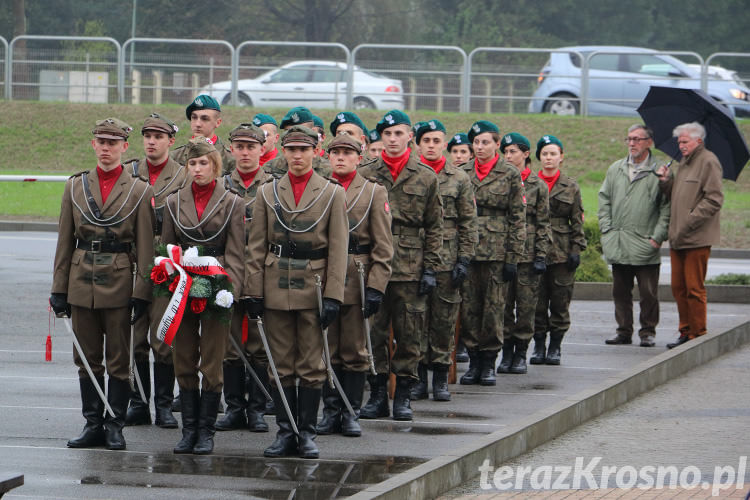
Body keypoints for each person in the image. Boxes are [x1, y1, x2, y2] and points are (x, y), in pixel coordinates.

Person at [243, 125, 348, 459]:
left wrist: (334, 295)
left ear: (316, 152)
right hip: (276, 283)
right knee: (280, 363)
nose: (298, 156)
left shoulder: (332, 193)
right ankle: (285, 432)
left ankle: (307, 433)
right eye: (292, 150)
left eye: (304, 150)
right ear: (284, 152)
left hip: (313, 283)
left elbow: (339, 248)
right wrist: (253, 291)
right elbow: (256, 246)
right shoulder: (268, 193)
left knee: (311, 364)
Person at [50, 118, 155, 450]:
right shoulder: (75, 186)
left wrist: (142, 292)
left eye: (113, 143)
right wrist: (59, 288)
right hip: (81, 281)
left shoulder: (139, 190)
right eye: (101, 142)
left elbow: (145, 248)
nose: (107, 148)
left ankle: (115, 424)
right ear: (93, 145)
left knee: (119, 359)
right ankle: (92, 422)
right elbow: (65, 241)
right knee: (86, 357)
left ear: (125, 147)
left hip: (120, 281)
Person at [161, 136, 245, 455]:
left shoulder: (233, 202)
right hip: (182, 285)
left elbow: (237, 252)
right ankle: (189, 430)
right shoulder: (172, 202)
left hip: (216, 284)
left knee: (211, 359)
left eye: (204, 163)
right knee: (183, 356)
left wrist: (228, 285)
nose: (198, 169)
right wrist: (170, 276)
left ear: (216, 165)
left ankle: (207, 432)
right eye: (192, 164)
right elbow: (167, 247)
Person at [358, 110, 443, 421]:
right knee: (374, 333)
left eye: (399, 133)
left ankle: (404, 396)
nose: (392, 140)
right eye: (387, 134)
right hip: (372, 265)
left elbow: (435, 226)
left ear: (410, 136)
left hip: (411, 265)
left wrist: (431, 268)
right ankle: (378, 393)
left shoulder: (426, 176)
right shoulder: (366, 172)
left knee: (410, 333)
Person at [316, 134, 393, 436]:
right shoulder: (321, 189)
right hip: (324, 278)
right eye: (335, 152)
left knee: (355, 350)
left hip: (357, 276)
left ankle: (351, 412)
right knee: (327, 348)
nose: (340, 158)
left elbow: (383, 246)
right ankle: (330, 410)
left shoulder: (374, 192)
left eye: (347, 153)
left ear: (359, 158)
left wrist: (376, 286)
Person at [123, 114, 186, 429]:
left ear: (171, 142)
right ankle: (138, 402)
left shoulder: (183, 175)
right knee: (134, 339)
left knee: (163, 338)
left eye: (158, 136)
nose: (151, 141)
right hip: (134, 262)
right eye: (147, 135)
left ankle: (163, 405)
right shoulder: (130, 173)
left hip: (166, 264)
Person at [410, 120, 476, 401]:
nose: (432, 146)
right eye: (427, 141)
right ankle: (417, 378)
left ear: (444, 144)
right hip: (414, 258)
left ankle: (440, 377)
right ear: (418, 144)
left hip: (447, 262)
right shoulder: (412, 174)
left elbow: (468, 221)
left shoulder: (459, 178)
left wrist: (464, 258)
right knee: (415, 321)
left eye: (437, 141)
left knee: (444, 320)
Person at [214, 123, 274, 433]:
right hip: (229, 273)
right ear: (232, 150)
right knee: (230, 344)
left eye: (252, 146)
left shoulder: (273, 187)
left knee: (259, 346)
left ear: (262, 149)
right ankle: (234, 407)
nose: (246, 152)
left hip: (262, 273)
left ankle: (257, 410)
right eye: (240, 146)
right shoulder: (222, 186)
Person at [459, 121, 526, 386]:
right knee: (469, 309)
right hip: (468, 250)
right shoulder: (462, 172)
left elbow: (518, 219)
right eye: (475, 142)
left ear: (497, 145)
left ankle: (489, 363)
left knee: (494, 310)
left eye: (485, 142)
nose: (480, 147)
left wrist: (513, 257)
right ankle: (474, 361)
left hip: (497, 253)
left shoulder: (509, 173)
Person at [599, 125, 670, 348]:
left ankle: (648, 331)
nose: (632, 143)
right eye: (629, 139)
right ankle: (623, 331)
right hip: (618, 241)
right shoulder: (615, 168)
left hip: (645, 243)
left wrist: (657, 237)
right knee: (620, 291)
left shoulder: (661, 171)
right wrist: (607, 230)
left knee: (648, 293)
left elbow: (667, 208)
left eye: (638, 139)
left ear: (649, 142)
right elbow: (604, 200)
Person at [656, 122, 723, 349]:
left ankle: (698, 333)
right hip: (678, 237)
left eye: (685, 141)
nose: (681, 146)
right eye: (679, 142)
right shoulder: (684, 162)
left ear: (699, 141)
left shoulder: (709, 161)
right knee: (678, 287)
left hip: (697, 238)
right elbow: (677, 195)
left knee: (694, 288)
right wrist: (666, 181)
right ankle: (685, 331)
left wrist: (690, 219)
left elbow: (714, 199)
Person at [531, 135, 586, 365]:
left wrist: (576, 249)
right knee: (536, 301)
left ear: (561, 157)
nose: (549, 158)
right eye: (544, 154)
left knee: (560, 301)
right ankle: (539, 345)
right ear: (539, 158)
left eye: (553, 153)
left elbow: (577, 220)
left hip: (562, 253)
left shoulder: (570, 186)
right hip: (536, 250)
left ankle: (555, 346)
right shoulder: (531, 183)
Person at [498, 132, 551, 374]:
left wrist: (541, 255)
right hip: (504, 253)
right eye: (506, 152)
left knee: (526, 307)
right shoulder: (501, 181)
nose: (508, 157)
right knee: (503, 306)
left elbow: (543, 223)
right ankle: (506, 352)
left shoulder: (537, 186)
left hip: (528, 256)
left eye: (513, 152)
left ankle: (521, 352)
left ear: (526, 154)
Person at [171, 94, 235, 175]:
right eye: (194, 117)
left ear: (217, 122)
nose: (197, 124)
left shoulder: (230, 159)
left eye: (204, 119)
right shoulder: (175, 156)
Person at [263, 106, 332, 178]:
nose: (294, 136)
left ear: (311, 131)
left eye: (300, 131)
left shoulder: (328, 169)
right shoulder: (270, 168)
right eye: (288, 131)